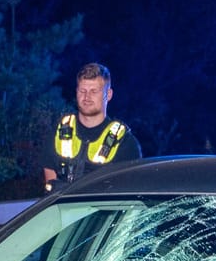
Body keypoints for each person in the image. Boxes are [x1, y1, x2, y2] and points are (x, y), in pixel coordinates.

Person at [43, 62, 143, 193]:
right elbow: (49, 182)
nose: (86, 97)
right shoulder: (59, 132)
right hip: (62, 211)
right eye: (82, 91)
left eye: (94, 91)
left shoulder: (125, 143)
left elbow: (130, 192)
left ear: (109, 94)